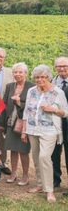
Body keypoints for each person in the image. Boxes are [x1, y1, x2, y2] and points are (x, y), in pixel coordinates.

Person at [22, 64, 68, 203]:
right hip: (32, 129)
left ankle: (50, 190)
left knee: (44, 157)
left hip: (50, 130)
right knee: (36, 158)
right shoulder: (31, 91)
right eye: (37, 77)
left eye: (42, 77)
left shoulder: (57, 92)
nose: (40, 79)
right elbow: (26, 111)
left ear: (48, 77)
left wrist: (52, 109)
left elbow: (65, 112)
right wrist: (24, 130)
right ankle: (40, 185)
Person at [1, 63, 33, 186]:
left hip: (24, 124)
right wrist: (2, 123)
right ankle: (13, 173)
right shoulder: (10, 86)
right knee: (13, 150)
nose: (17, 74)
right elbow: (3, 105)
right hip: (10, 122)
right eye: (15, 72)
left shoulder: (32, 87)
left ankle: (25, 176)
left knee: (23, 150)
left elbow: (32, 107)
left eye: (20, 72)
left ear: (26, 73)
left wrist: (20, 103)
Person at [51, 56, 68, 188]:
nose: (62, 68)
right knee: (54, 152)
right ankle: (56, 179)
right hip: (55, 122)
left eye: (65, 66)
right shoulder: (51, 82)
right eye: (59, 66)